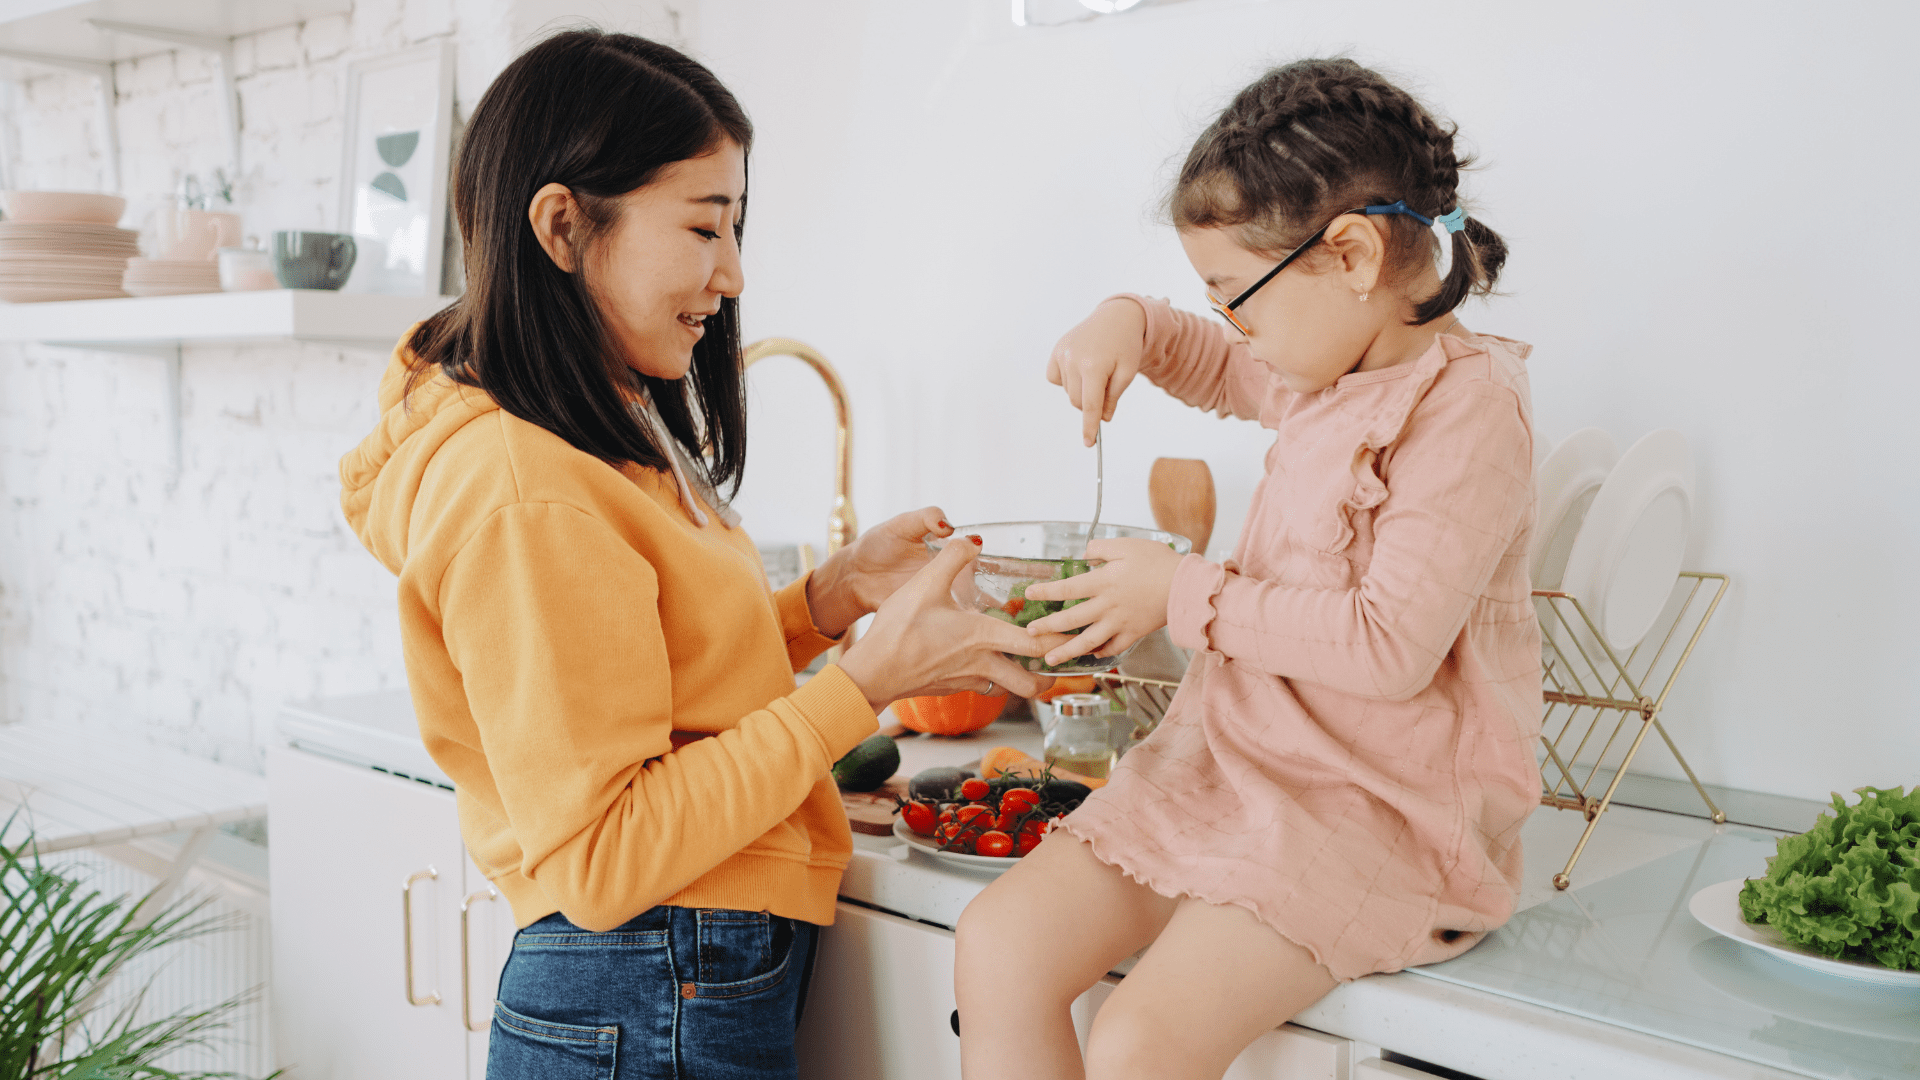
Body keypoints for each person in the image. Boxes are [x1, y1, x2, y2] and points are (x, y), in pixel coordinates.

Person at [339, 30, 1062, 1080]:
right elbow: (605, 858)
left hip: (658, 985)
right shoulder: (523, 488)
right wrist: (860, 685)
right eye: (702, 226)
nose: (731, 273)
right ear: (562, 226)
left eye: (735, 227)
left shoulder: (586, 429)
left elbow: (649, 675)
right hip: (644, 987)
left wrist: (823, 601)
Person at [955, 57, 1542, 1080]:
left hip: (1376, 816)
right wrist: (1132, 321)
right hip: (1230, 771)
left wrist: (1176, 592)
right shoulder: (1324, 365)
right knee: (996, 944)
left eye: (1237, 298)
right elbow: (1211, 361)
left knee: (1140, 1038)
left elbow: (1389, 646)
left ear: (1351, 254)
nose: (1235, 330)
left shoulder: (1470, 409)